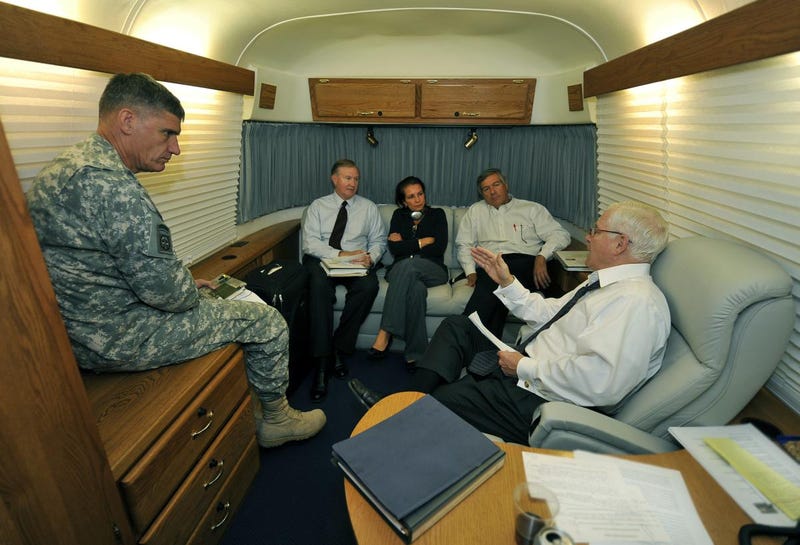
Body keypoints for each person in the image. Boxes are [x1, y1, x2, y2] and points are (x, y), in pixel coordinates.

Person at [25, 73, 325, 449]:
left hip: (79, 328)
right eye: (167, 133)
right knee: (265, 319)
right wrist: (186, 288)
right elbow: (172, 297)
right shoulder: (114, 188)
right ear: (128, 120)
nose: (176, 148)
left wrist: (181, 280)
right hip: (115, 338)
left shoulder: (67, 166)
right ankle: (277, 419)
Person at [350, 201, 671, 444]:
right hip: (527, 359)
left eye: (596, 231)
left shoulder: (635, 303)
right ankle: (404, 405)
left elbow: (601, 383)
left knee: (447, 401)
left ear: (620, 243)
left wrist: (522, 367)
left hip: (544, 395)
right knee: (456, 327)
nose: (588, 238)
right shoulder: (603, 285)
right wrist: (507, 282)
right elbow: (549, 314)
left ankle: (398, 420)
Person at [302, 159, 387, 401]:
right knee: (318, 288)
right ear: (334, 179)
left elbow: (379, 240)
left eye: (356, 179)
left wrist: (371, 258)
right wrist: (340, 254)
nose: (353, 183)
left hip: (356, 262)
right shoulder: (318, 206)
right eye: (348, 178)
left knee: (369, 286)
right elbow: (310, 244)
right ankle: (321, 364)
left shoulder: (368, 208)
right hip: (322, 259)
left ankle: (337, 349)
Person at [457, 168, 571, 337]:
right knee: (497, 292)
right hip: (493, 266)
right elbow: (464, 244)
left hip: (526, 265)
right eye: (486, 189)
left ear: (506, 185)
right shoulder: (476, 211)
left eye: (496, 184)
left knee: (492, 287)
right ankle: (486, 350)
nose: (492, 191)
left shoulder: (531, 209)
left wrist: (542, 256)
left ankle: (463, 335)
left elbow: (561, 235)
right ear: (481, 194)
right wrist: (470, 272)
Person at [366, 176, 449, 370]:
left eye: (420, 194)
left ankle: (385, 331)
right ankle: (416, 354)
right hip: (401, 270)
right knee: (417, 289)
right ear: (404, 201)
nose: (418, 199)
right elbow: (394, 249)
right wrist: (422, 242)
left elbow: (438, 249)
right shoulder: (398, 216)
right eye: (411, 197)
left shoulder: (438, 214)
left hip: (433, 269)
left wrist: (406, 245)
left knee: (410, 265)